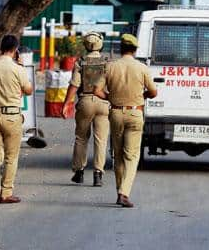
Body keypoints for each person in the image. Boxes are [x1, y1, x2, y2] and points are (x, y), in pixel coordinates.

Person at [94, 34, 157, 208]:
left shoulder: (110, 67)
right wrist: (141, 96)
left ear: (121, 48)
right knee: (132, 156)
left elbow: (96, 90)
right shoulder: (142, 68)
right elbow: (153, 92)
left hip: (115, 113)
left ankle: (119, 191)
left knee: (119, 154)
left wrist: (111, 98)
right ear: (135, 50)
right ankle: (124, 193)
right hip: (135, 113)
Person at [0, 35, 33, 205]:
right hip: (12, 115)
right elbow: (28, 90)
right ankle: (6, 192)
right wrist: (21, 67)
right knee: (11, 156)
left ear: (1, 48)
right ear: (16, 49)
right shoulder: (18, 69)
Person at [62, 32, 110, 187]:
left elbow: (74, 85)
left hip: (85, 101)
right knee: (101, 140)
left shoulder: (80, 62)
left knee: (81, 138)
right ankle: (98, 174)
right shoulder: (107, 62)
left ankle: (79, 172)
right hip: (103, 103)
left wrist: (66, 104)